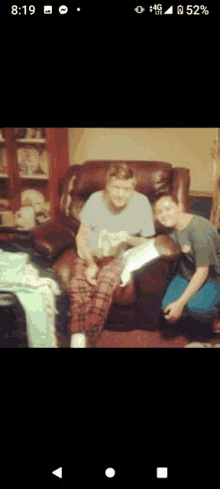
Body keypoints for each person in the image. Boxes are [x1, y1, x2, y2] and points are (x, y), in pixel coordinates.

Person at [67, 162, 156, 348]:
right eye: (115, 187)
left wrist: (127, 238)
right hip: (91, 253)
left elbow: (149, 243)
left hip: (118, 257)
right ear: (107, 185)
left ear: (133, 187)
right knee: (78, 284)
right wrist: (90, 264)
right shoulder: (94, 199)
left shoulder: (141, 203)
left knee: (105, 285)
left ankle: (87, 337)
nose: (120, 193)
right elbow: (81, 236)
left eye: (126, 188)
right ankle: (78, 336)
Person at [152, 192, 220, 332]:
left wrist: (180, 303)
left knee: (197, 308)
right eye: (159, 212)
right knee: (167, 309)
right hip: (186, 273)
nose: (164, 214)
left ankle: (215, 317)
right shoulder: (170, 226)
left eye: (168, 208)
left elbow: (203, 271)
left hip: (212, 277)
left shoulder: (200, 230)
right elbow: (154, 242)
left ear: (180, 207)